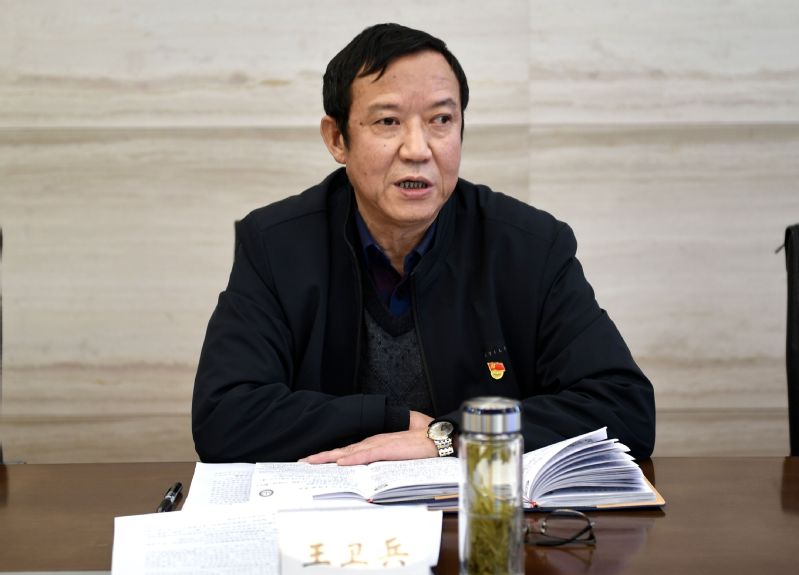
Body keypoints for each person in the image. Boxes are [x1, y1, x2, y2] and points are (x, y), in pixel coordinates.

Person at [192, 23, 655, 465]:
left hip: (479, 513)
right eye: (388, 121)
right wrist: (391, 421)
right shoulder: (276, 245)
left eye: (441, 120)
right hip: (332, 514)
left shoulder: (530, 247)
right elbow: (224, 417)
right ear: (337, 139)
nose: (418, 149)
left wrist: (451, 436)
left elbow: (623, 407)